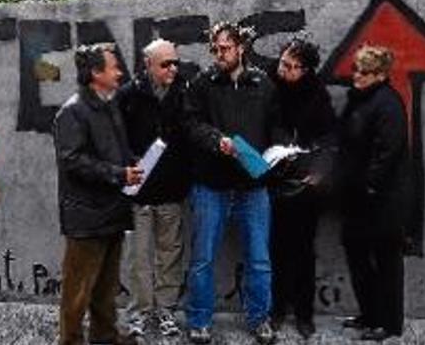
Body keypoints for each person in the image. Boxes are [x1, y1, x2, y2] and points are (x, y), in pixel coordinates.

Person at [183, 21, 286, 345]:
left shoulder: (264, 85)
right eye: (214, 48)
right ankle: (199, 321)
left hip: (252, 189)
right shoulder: (201, 83)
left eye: (224, 48)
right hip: (210, 187)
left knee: (258, 259)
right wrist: (217, 141)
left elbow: (278, 127)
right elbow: (189, 124)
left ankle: (259, 319)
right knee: (202, 259)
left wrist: (278, 153)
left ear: (241, 47)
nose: (218, 54)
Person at [53, 42, 142, 345]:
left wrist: (132, 164)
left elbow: (114, 149)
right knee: (77, 293)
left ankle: (105, 337)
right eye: (114, 66)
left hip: (112, 211)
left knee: (106, 288)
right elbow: (72, 160)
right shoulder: (73, 112)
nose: (120, 71)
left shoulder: (109, 105)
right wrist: (118, 175)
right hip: (86, 216)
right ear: (95, 73)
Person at [116, 38, 191, 337]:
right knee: (138, 258)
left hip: (172, 191)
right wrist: (128, 164)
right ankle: (138, 314)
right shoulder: (129, 95)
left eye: (175, 62)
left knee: (170, 255)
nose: (172, 68)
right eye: (165, 64)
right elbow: (115, 138)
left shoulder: (184, 92)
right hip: (139, 193)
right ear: (148, 65)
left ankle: (166, 312)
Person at [337, 45, 409, 342]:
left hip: (382, 200)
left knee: (386, 262)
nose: (356, 75)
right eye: (355, 69)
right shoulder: (359, 99)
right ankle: (369, 314)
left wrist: (368, 185)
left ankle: (388, 323)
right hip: (356, 197)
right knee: (358, 257)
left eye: (364, 72)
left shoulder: (388, 104)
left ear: (380, 75)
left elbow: (387, 153)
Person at [267, 38, 337, 338]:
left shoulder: (317, 95)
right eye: (285, 64)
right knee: (275, 250)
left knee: (304, 251)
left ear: (306, 70)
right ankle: (277, 308)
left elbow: (330, 137)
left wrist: (320, 171)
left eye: (295, 68)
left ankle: (304, 315)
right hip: (273, 180)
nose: (288, 71)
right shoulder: (266, 85)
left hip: (305, 186)